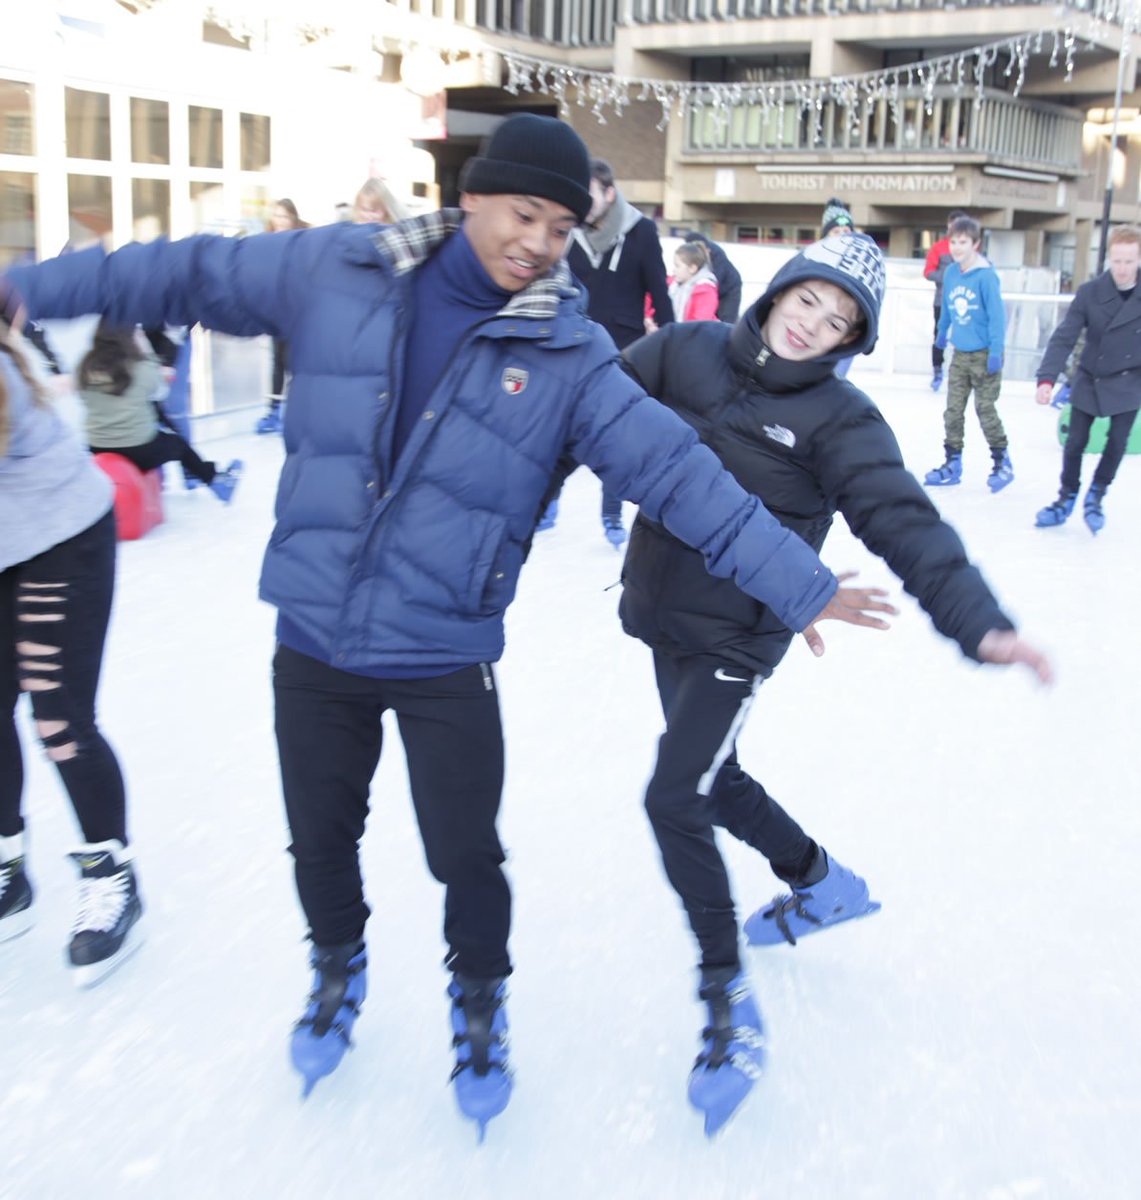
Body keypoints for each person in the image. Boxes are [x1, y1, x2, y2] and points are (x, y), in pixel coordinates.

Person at [2, 113, 893, 1136]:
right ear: (470, 197)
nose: (539, 243)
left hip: (443, 651)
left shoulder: (567, 353)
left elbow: (680, 476)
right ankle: (336, 971)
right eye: (523, 214)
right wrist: (27, 289)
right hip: (316, 637)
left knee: (465, 855)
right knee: (319, 841)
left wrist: (799, 583)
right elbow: (185, 272)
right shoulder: (339, 267)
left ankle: (479, 1008)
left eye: (561, 229)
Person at [617, 231, 1054, 1136]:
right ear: (779, 292)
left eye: (838, 321)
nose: (813, 325)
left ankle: (726, 999)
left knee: (675, 794)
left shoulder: (839, 419)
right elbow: (586, 407)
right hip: (663, 609)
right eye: (807, 300)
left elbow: (902, 519)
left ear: (851, 339)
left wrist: (976, 621)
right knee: (714, 780)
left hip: (742, 631)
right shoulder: (685, 351)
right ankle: (822, 882)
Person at [0, 321, 143, 986]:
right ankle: (8, 868)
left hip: (61, 537)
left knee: (58, 719)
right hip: (7, 543)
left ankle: (112, 875)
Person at [565, 157, 675, 548]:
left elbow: (659, 293)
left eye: (589, 192)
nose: (581, 200)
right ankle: (545, 506)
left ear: (609, 193)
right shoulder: (567, 230)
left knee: (612, 436)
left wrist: (672, 346)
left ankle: (611, 514)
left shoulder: (640, 231)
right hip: (573, 346)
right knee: (558, 428)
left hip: (623, 353)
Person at [1033, 223, 1141, 535]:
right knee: (1075, 441)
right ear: (1108, 258)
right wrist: (1046, 379)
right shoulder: (1091, 292)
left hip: (1130, 378)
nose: (1122, 268)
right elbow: (1064, 337)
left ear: (1138, 259)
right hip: (1092, 375)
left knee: (1117, 441)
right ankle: (1066, 497)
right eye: (1117, 261)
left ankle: (1096, 494)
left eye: (1129, 261)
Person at [77, 321, 243, 504]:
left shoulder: (84, 367)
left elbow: (83, 397)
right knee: (178, 445)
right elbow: (160, 393)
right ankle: (215, 481)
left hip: (97, 447)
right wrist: (148, 353)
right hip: (138, 448)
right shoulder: (140, 367)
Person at [925, 214, 1012, 493]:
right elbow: (948, 307)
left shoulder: (986, 277)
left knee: (985, 409)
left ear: (975, 244)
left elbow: (997, 317)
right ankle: (953, 462)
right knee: (953, 410)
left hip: (985, 353)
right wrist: (942, 332)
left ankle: (1001, 461)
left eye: (963, 242)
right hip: (960, 354)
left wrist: (996, 351)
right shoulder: (951, 273)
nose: (957, 248)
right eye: (953, 242)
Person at [255, 199, 308, 436]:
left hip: (295, 310)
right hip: (275, 309)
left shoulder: (300, 242)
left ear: (293, 218)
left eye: (284, 216)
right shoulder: (268, 242)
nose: (280, 221)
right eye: (276, 216)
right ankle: (273, 409)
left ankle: (293, 411)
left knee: (292, 361)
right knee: (277, 361)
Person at [924, 209, 968, 392]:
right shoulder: (939, 247)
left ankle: (962, 373)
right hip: (942, 301)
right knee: (939, 335)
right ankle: (937, 370)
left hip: (965, 302)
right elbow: (928, 272)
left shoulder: (970, 249)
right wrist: (948, 276)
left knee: (965, 335)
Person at [821, 198, 858, 380]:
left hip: (845, 332)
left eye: (846, 231)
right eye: (836, 231)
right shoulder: (815, 260)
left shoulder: (858, 263)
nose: (842, 235)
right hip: (819, 329)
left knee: (835, 379)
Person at [682, 231, 742, 323]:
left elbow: (715, 278)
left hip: (730, 288)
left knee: (727, 319)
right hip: (716, 287)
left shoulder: (716, 253)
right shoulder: (694, 253)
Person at [664, 241, 719, 324]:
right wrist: (649, 318)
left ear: (692, 268)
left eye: (677, 266)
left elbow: (699, 324)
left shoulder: (705, 290)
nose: (674, 270)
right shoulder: (673, 284)